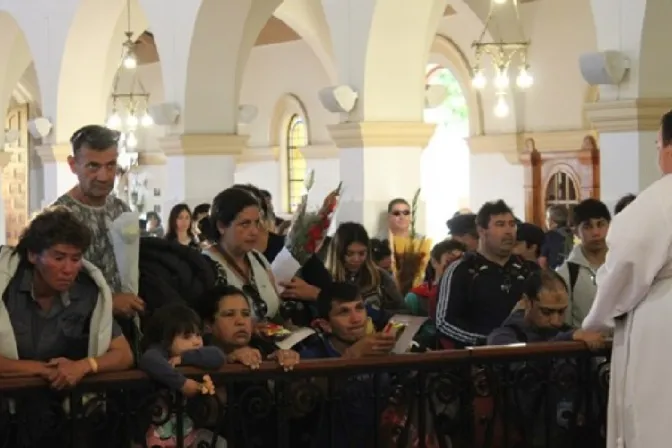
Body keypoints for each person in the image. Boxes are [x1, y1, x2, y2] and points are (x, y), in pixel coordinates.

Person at [0, 207, 134, 446]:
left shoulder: (86, 293)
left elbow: (123, 354)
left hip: (57, 416)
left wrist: (85, 366)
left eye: (75, 259)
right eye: (58, 258)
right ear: (33, 255)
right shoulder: (6, 288)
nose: (69, 269)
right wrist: (41, 370)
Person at [582, 110, 672, 448]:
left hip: (662, 326)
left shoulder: (658, 200)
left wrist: (597, 321)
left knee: (657, 417)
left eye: (657, 143)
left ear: (669, 148)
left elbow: (626, 265)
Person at [53, 124, 144, 318]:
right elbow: (50, 286)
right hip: (80, 331)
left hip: (126, 323)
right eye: (93, 166)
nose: (104, 176)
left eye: (110, 165)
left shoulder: (121, 209)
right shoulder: (58, 217)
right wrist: (109, 301)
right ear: (73, 165)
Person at [435, 200, 539, 348]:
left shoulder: (529, 270)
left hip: (526, 357)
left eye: (512, 224)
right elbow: (443, 323)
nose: (509, 231)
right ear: (481, 230)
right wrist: (488, 342)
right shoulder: (461, 270)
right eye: (500, 224)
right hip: (478, 359)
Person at [139, 304, 227, 447]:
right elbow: (148, 359)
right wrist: (182, 383)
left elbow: (218, 356)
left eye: (198, 335)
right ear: (165, 340)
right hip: (157, 435)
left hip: (189, 432)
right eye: (187, 336)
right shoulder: (160, 353)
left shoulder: (194, 356)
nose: (197, 341)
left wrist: (184, 358)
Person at [487, 269, 605, 347]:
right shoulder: (503, 336)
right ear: (527, 303)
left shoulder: (567, 332)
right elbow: (521, 362)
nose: (556, 321)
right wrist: (568, 339)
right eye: (546, 312)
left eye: (561, 311)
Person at [556, 199, 610, 327]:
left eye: (600, 224)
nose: (596, 233)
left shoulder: (622, 264)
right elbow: (564, 324)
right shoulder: (566, 273)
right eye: (588, 227)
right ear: (576, 232)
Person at [539, 205, 574, 269]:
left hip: (555, 274)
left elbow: (542, 262)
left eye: (547, 218)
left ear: (552, 221)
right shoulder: (574, 234)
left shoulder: (549, 236)